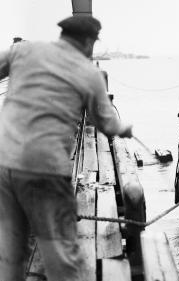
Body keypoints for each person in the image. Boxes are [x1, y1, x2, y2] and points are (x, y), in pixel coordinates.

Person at [0, 15, 133, 281]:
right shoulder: (88, 73)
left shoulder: (23, 50)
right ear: (88, 42)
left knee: (10, 252)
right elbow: (106, 123)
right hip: (45, 170)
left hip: (4, 165)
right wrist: (125, 128)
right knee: (60, 253)